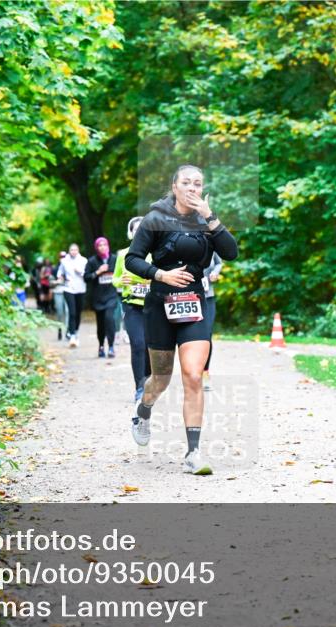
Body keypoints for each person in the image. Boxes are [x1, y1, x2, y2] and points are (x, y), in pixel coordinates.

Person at [125, 165, 238, 475]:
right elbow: (132, 259)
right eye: (186, 182)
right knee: (160, 379)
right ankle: (143, 410)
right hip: (160, 304)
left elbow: (231, 252)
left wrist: (211, 217)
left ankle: (193, 453)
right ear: (174, 186)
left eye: (197, 183)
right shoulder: (155, 219)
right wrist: (160, 274)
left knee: (192, 375)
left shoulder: (206, 220)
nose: (192, 187)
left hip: (195, 305)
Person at [113, 217, 154, 403]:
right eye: (136, 229)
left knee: (150, 347)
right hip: (132, 306)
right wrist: (122, 281)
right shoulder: (123, 254)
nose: (139, 232)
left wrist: (153, 278)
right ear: (131, 233)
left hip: (154, 307)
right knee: (137, 345)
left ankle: (149, 383)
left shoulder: (156, 253)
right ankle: (139, 387)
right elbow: (115, 279)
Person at [84, 237, 120, 358]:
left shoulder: (115, 259)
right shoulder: (92, 261)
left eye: (105, 244)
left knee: (109, 319)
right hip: (98, 297)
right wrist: (98, 272)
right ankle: (101, 346)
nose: (103, 247)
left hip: (111, 296)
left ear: (108, 246)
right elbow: (86, 278)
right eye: (100, 245)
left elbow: (121, 273)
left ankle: (111, 346)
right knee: (101, 324)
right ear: (96, 248)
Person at [59, 244, 87, 348]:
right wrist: (60, 277)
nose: (73, 251)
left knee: (78, 312)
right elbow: (60, 272)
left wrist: (80, 272)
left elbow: (87, 274)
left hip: (80, 289)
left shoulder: (83, 261)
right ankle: (72, 336)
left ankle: (75, 331)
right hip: (68, 288)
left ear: (78, 250)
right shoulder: (64, 261)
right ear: (69, 251)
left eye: (75, 249)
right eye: (71, 250)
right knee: (72, 312)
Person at [202, 251, 223, 391]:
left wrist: (215, 273)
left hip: (207, 296)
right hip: (188, 298)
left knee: (206, 335)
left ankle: (204, 373)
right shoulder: (181, 240)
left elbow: (219, 263)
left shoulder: (210, 244)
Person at [52, 251, 68, 340]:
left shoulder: (69, 268)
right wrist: (57, 282)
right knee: (60, 312)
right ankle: (59, 330)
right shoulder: (55, 269)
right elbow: (50, 282)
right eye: (61, 257)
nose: (63, 258)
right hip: (58, 292)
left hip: (68, 292)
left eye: (64, 257)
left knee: (68, 311)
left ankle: (68, 331)